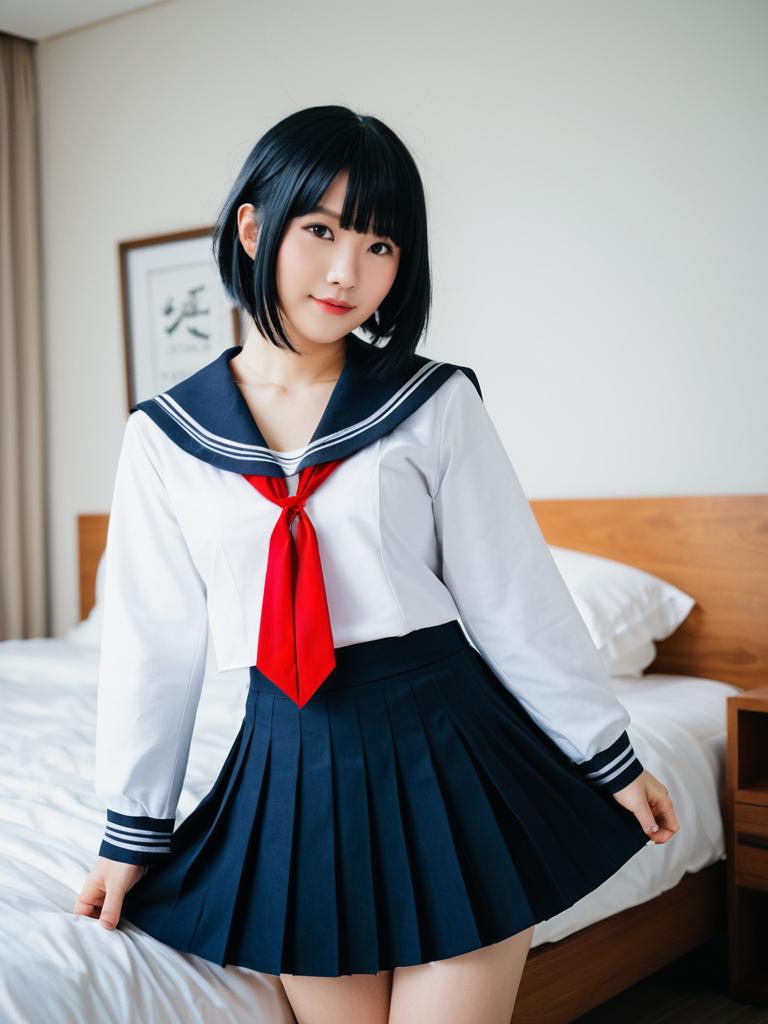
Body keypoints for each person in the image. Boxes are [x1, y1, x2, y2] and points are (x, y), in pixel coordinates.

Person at [73, 106, 679, 1024]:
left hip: (449, 746)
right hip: (288, 764)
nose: (347, 273)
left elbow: (513, 596)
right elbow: (152, 646)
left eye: (380, 245)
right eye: (321, 231)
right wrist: (131, 833)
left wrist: (608, 755)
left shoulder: (432, 404)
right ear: (254, 229)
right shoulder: (165, 437)